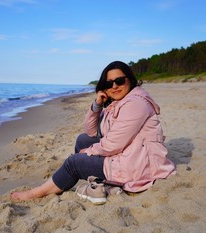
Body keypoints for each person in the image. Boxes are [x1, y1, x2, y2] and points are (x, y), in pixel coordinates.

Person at [10, 61, 176, 204]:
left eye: (119, 80)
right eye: (108, 83)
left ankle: (36, 193)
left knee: (74, 162)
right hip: (129, 154)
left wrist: (89, 152)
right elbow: (90, 131)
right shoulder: (116, 103)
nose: (114, 86)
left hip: (138, 165)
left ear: (130, 80)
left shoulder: (135, 104)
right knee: (83, 140)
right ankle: (98, 181)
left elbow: (113, 144)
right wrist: (97, 105)